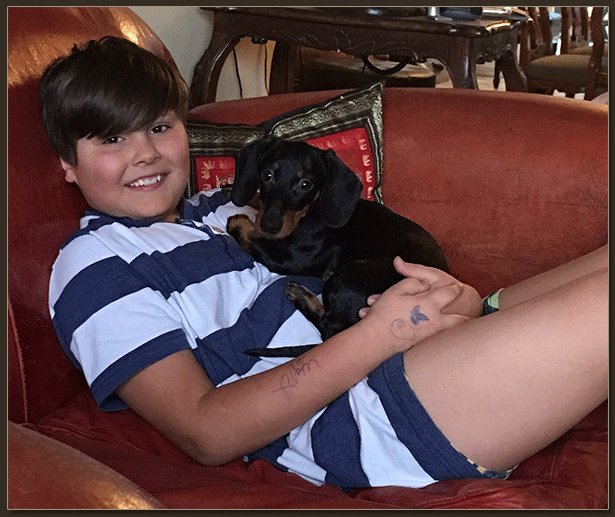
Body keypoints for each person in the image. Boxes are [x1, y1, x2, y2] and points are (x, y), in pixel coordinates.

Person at [40, 36, 607, 489]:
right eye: (111, 139)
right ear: (67, 162)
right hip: (364, 418)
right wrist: (383, 334)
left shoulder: (224, 209)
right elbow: (207, 432)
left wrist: (454, 295)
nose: (144, 153)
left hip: (415, 347)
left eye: (160, 127)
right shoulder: (92, 264)